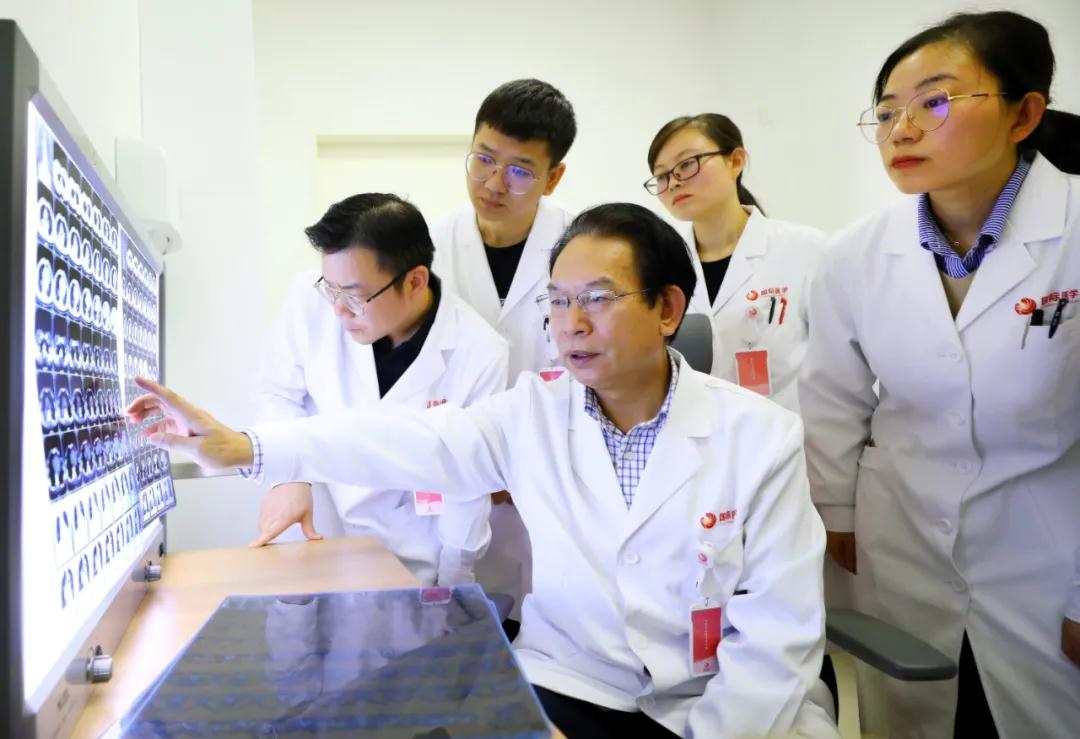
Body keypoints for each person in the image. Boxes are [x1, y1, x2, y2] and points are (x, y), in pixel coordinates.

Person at [129, 203, 837, 739]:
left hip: (716, 703)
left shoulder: (761, 437)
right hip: (574, 683)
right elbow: (404, 439)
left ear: (668, 309)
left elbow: (776, 639)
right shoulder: (532, 412)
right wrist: (246, 448)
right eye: (558, 301)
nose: (570, 323)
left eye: (597, 298)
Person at [799, 10, 1080, 738]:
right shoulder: (852, 255)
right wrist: (836, 516)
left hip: (1051, 557)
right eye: (887, 111)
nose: (902, 129)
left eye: (935, 101)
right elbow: (830, 399)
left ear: (1024, 115)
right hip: (901, 547)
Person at [253, 193, 508, 587]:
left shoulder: (480, 352)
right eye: (330, 290)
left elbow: (467, 481)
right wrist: (289, 476)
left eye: (355, 296)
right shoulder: (309, 298)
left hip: (413, 554)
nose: (338, 310)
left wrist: (453, 584)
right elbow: (277, 392)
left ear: (415, 281)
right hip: (317, 530)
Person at [430, 78, 577, 612]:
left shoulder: (582, 247)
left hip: (551, 482)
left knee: (547, 625)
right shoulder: (429, 246)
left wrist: (526, 465)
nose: (493, 183)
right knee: (455, 626)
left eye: (519, 170)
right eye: (484, 159)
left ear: (553, 177)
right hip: (452, 482)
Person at [646, 114, 827, 413]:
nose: (674, 182)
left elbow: (842, 366)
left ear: (736, 161)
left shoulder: (806, 250)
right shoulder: (659, 265)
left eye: (687, 164)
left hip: (792, 431)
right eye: (662, 176)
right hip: (697, 430)